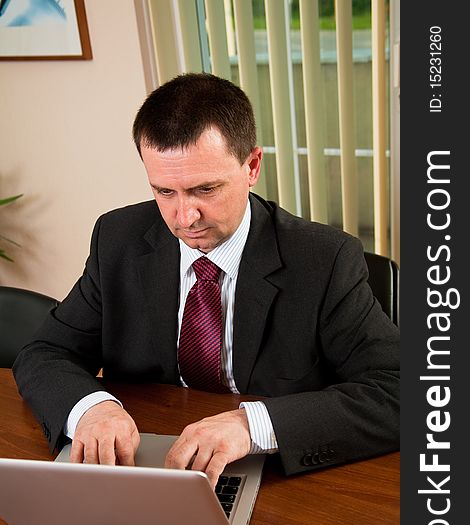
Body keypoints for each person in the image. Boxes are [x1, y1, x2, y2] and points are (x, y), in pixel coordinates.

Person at [13, 73, 399, 488]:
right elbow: (45, 351)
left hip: (277, 478)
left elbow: (399, 390)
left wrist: (252, 425)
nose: (184, 218)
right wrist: (92, 408)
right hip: (148, 460)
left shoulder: (324, 259)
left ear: (251, 166)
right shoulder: (118, 239)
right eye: (164, 191)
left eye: (205, 189)